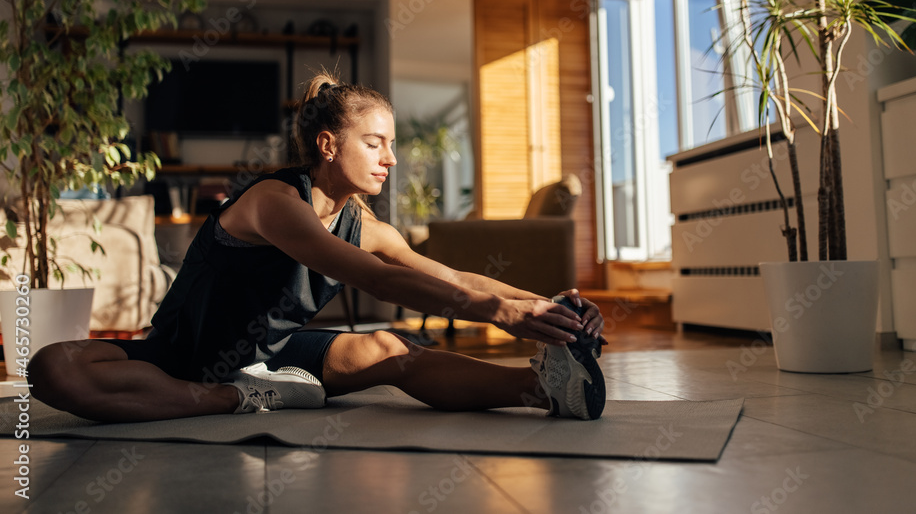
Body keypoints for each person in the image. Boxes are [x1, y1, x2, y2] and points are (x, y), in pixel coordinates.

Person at [28, 73, 607, 423]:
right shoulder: (274, 202)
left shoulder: (367, 226)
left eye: (392, 145)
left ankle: (539, 390)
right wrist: (498, 314)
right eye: (375, 142)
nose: (391, 158)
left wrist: (547, 305)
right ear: (328, 144)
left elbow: (453, 274)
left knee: (390, 347)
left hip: (278, 360)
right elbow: (374, 280)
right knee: (51, 369)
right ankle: (232, 399)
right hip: (183, 354)